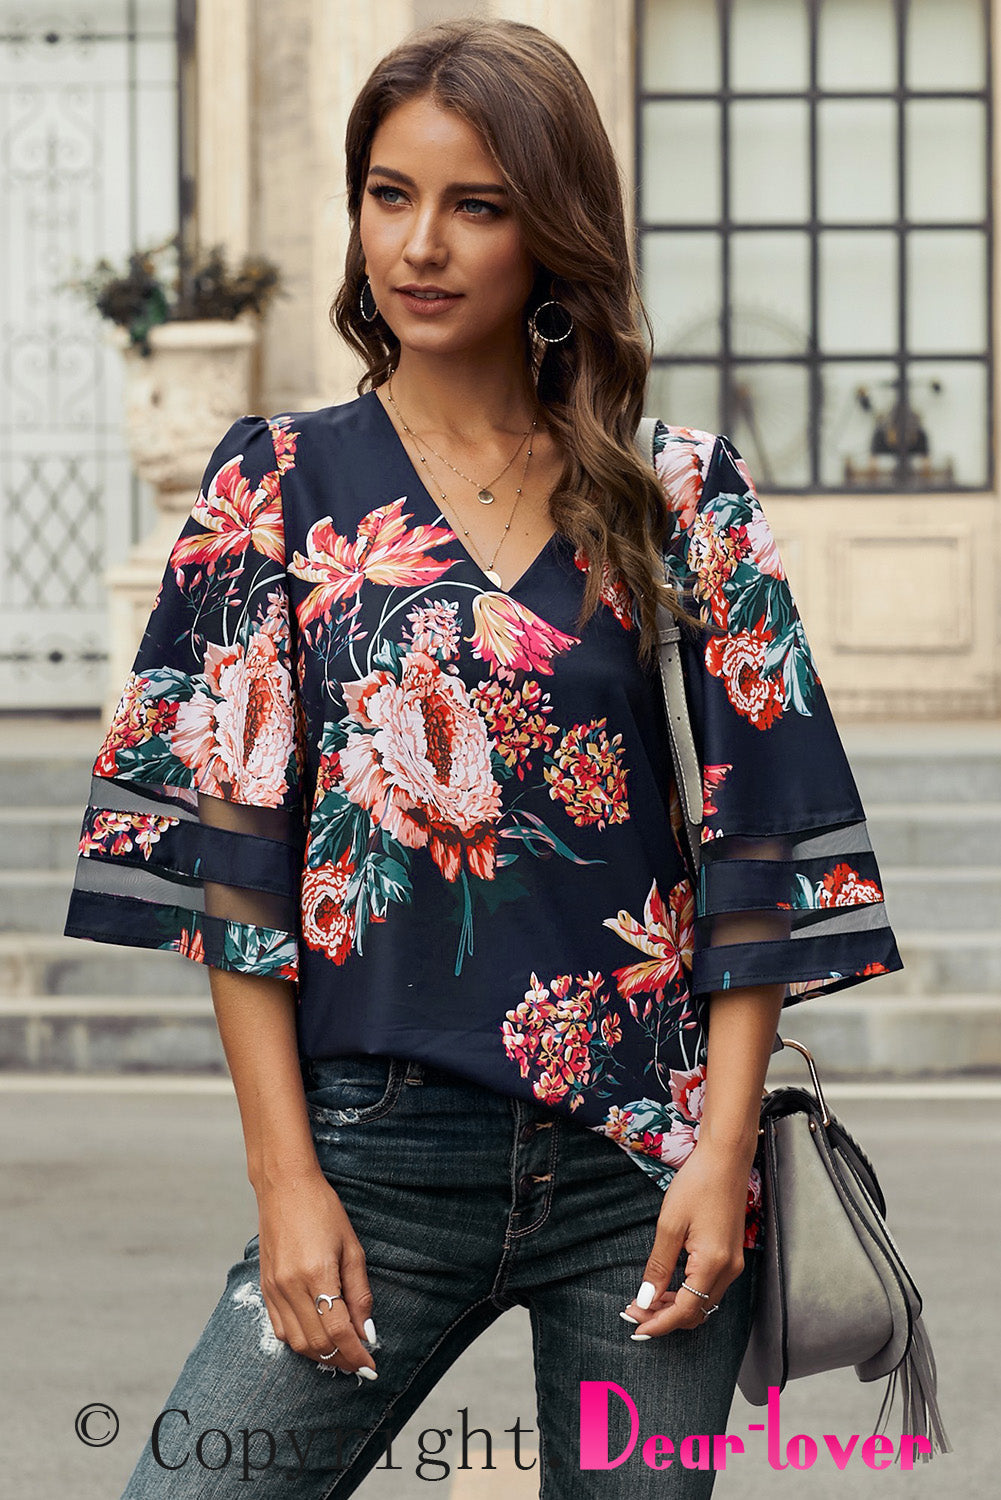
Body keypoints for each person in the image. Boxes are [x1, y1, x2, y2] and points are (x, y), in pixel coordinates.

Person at [63, 17, 902, 1499]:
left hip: (643, 1162)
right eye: (389, 195)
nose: (421, 245)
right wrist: (286, 1181)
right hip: (376, 1152)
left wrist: (718, 1157)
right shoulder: (277, 486)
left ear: (552, 229)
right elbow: (234, 868)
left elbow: (758, 842)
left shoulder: (677, 492)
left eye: (477, 203)